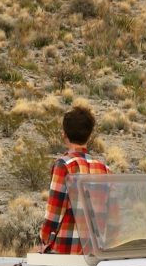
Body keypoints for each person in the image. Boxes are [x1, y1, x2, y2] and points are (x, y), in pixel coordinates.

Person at [39, 105, 110, 254]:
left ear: (63, 134)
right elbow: (113, 215)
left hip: (66, 252)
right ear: (89, 136)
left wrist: (44, 242)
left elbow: (54, 214)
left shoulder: (64, 166)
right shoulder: (105, 169)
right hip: (95, 253)